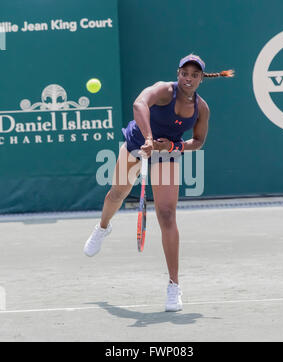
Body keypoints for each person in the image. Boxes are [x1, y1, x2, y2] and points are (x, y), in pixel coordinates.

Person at [84, 54, 234, 312]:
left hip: (167, 153)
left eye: (194, 75)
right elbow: (139, 103)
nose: (188, 78)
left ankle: (174, 286)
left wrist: (172, 145)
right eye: (184, 73)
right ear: (178, 74)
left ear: (201, 79)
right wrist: (149, 138)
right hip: (137, 144)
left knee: (166, 214)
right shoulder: (165, 90)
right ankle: (102, 227)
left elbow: (198, 141)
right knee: (117, 194)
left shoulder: (202, 108)